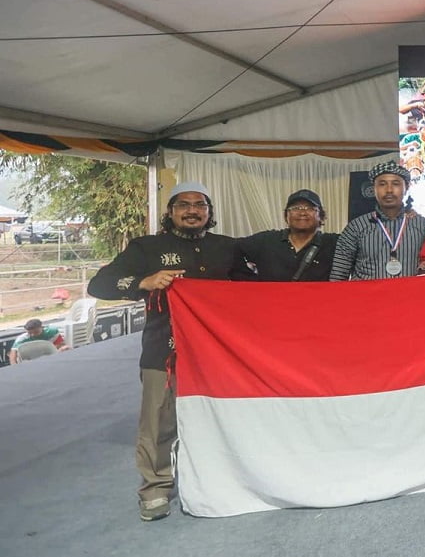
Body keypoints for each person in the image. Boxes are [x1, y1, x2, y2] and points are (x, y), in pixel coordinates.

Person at [87, 181, 242, 521]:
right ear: (170, 212)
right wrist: (143, 282)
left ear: (209, 212)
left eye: (200, 205)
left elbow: (255, 289)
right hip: (165, 348)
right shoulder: (147, 248)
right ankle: (155, 487)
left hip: (217, 349)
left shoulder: (227, 247)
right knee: (159, 418)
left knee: (222, 414)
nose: (192, 211)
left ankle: (220, 478)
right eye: (183, 205)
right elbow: (98, 284)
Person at [330, 162, 425, 280]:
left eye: (395, 184)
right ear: (373, 188)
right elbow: (338, 275)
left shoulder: (424, 227)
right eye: (382, 184)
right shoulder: (356, 227)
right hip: (366, 292)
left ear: (407, 187)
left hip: (410, 292)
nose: (389, 190)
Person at [236, 189, 337, 281]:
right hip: (271, 296)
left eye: (310, 208)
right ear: (286, 216)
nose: (302, 212)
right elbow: (232, 248)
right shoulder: (266, 240)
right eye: (295, 208)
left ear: (321, 216)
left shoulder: (334, 244)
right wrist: (250, 281)